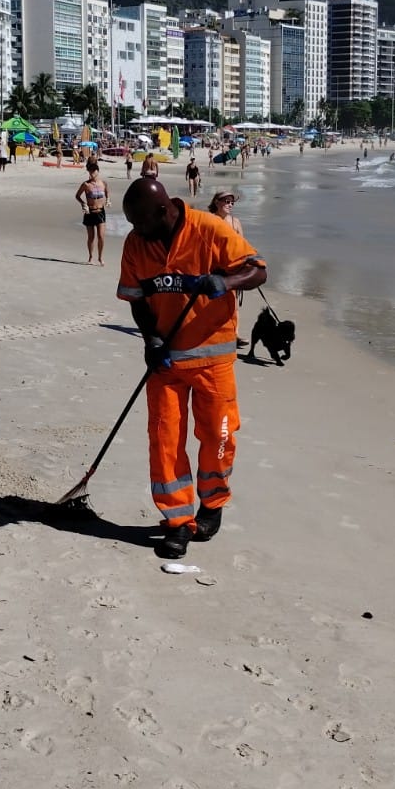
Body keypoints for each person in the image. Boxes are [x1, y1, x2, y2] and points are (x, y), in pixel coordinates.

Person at [118, 178, 268, 561]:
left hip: (212, 361)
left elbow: (258, 271)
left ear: (163, 211)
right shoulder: (136, 243)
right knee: (165, 440)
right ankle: (177, 521)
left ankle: (212, 504)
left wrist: (227, 280)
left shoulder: (210, 229)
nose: (135, 232)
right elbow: (137, 299)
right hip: (165, 362)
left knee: (219, 436)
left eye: (140, 223)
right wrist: (150, 339)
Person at [75, 159, 110, 265]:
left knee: (101, 237)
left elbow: (107, 192)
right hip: (90, 212)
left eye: (94, 171)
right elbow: (77, 196)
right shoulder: (86, 184)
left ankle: (100, 257)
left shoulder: (103, 183)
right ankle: (90, 257)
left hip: (100, 212)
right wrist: (83, 203)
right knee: (91, 237)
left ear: (98, 171)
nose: (92, 173)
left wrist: (108, 200)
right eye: (90, 171)